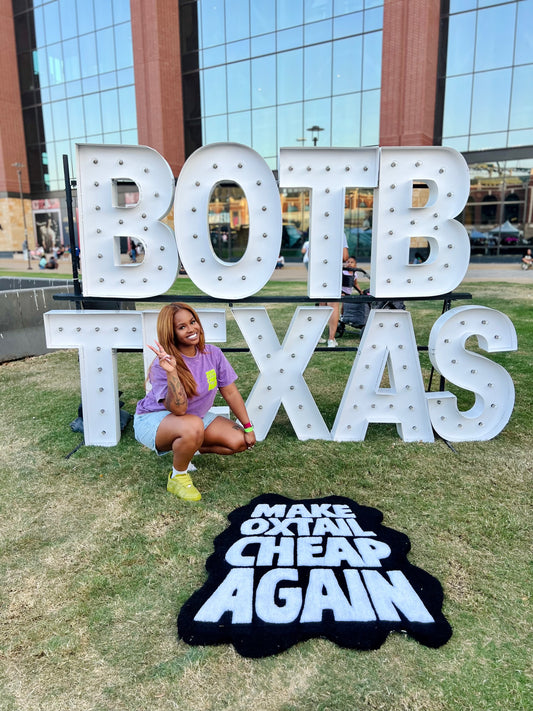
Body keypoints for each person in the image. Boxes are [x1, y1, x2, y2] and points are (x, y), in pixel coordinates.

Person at [134, 302, 256, 502]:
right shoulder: (163, 364)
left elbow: (231, 392)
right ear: (171, 333)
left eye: (192, 322)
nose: (191, 329)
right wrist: (172, 372)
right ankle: (178, 477)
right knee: (192, 425)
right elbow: (179, 410)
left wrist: (248, 427)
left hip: (193, 419)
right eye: (182, 327)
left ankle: (189, 447)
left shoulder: (213, 353)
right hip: (154, 420)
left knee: (240, 441)